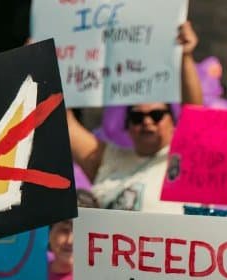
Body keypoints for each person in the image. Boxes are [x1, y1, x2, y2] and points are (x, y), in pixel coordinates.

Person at [66, 23, 202, 213]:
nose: (147, 122)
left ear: (173, 121)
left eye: (156, 115)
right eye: (137, 117)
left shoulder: (185, 159)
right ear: (127, 125)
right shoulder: (106, 158)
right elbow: (66, 124)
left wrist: (185, 56)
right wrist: (40, 64)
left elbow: (195, 114)